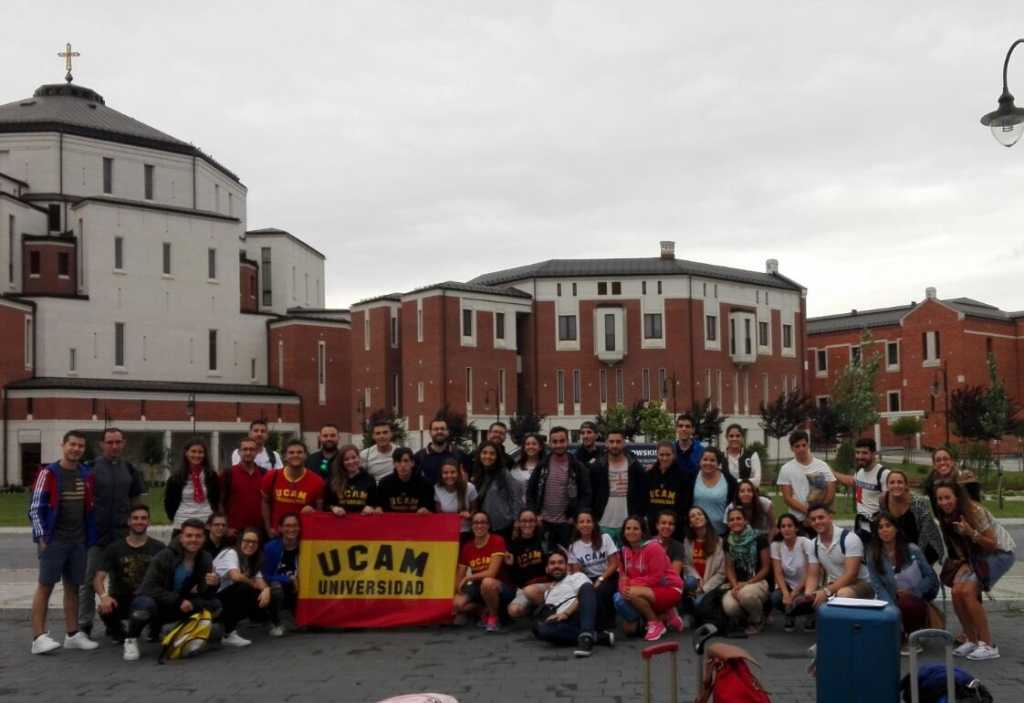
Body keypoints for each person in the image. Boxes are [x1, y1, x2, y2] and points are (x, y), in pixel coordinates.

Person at [29, 430, 100, 654]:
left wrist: (89, 538)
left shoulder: (86, 474)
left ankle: (72, 634)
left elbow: (90, 506)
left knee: (73, 587)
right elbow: (35, 508)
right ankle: (38, 637)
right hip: (54, 540)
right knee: (45, 586)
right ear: (63, 445)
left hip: (78, 541)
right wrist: (42, 537)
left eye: (80, 446)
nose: (76, 449)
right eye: (72, 445)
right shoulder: (49, 473)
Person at [934, 478, 1016, 661]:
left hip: (1000, 553)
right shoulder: (945, 516)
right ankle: (971, 640)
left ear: (957, 496)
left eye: (947, 497)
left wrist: (971, 532)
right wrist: (964, 563)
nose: (944, 502)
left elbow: (992, 544)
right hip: (975, 557)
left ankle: (988, 645)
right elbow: (957, 545)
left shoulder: (974, 511)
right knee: (957, 591)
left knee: (968, 591)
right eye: (940, 499)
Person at [78, 427, 145, 637]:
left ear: (123, 443)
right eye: (110, 442)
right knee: (89, 581)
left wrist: (136, 527)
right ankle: (84, 625)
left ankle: (114, 624)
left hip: (122, 535)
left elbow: (136, 502)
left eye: (118, 442)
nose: (114, 446)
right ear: (102, 444)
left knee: (121, 581)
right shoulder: (89, 469)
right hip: (96, 535)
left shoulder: (130, 469)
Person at [123, 518, 220, 661]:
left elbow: (204, 593)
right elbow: (148, 587)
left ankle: (176, 631)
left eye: (198, 536)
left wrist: (214, 584)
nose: (194, 540)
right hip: (154, 600)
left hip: (177, 602)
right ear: (181, 537)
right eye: (189, 535)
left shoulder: (205, 557)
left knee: (215, 604)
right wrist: (178, 600)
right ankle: (130, 639)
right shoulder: (165, 555)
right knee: (143, 608)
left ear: (204, 538)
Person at [866, 511, 940, 652]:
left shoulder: (912, 549)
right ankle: (898, 634)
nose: (884, 530)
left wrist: (913, 592)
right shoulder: (872, 553)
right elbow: (877, 584)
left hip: (914, 597)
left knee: (907, 604)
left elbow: (930, 577)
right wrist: (890, 607)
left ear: (896, 528)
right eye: (880, 527)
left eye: (888, 525)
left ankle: (912, 635)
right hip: (889, 598)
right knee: (885, 620)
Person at [93, 504, 165, 644]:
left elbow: (169, 575)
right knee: (103, 608)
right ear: (129, 521)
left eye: (143, 518)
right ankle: (118, 632)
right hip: (121, 598)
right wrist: (104, 596)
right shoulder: (114, 548)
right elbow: (98, 579)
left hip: (148, 598)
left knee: (155, 603)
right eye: (135, 518)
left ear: (148, 521)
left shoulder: (159, 547)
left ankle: (154, 629)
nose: (139, 521)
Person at [532, 551, 615, 658]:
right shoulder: (547, 593)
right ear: (547, 568)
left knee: (586, 587)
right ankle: (596, 637)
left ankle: (586, 636)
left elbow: (587, 594)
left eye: (560, 562)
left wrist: (566, 613)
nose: (556, 566)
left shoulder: (576, 577)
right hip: (568, 623)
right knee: (540, 629)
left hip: (586, 613)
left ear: (567, 567)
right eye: (552, 563)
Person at [614, 515, 684, 641]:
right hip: (647, 589)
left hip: (670, 587)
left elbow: (656, 577)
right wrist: (622, 586)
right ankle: (666, 616)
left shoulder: (654, 547)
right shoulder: (623, 551)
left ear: (643, 532)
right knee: (619, 599)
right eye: (628, 528)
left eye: (636, 528)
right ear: (623, 531)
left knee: (630, 592)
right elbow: (622, 575)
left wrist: (630, 584)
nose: (631, 532)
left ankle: (655, 623)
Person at [526, 426, 592, 551]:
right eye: (555, 442)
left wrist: (575, 516)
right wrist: (535, 515)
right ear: (550, 443)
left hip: (566, 524)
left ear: (567, 441)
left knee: (566, 557)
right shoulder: (542, 465)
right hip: (543, 523)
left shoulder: (577, 466)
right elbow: (530, 492)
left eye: (562, 441)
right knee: (544, 558)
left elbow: (586, 494)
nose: (558, 445)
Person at [804, 502, 874, 614]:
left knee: (843, 594)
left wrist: (826, 591)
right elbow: (813, 575)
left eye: (821, 517)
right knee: (814, 598)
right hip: (834, 584)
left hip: (862, 583)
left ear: (830, 517)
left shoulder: (849, 538)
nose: (817, 522)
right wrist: (808, 594)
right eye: (813, 519)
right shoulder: (813, 544)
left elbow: (851, 575)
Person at [213, 527, 273, 647]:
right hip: (213, 597)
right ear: (240, 541)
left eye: (254, 542)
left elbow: (260, 582)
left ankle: (224, 624)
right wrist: (253, 584)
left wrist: (267, 589)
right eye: (247, 541)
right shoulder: (231, 553)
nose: (250, 545)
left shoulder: (251, 559)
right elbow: (236, 576)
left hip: (226, 597)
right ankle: (228, 633)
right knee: (245, 588)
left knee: (265, 593)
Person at [452, 512, 510, 632]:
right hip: (477, 587)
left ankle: (494, 617)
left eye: (483, 522)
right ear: (472, 526)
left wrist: (468, 578)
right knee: (457, 604)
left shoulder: (497, 540)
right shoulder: (467, 547)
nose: (479, 526)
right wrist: (456, 590)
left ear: (488, 525)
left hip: (499, 585)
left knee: (487, 582)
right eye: (476, 523)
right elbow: (460, 573)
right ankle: (484, 610)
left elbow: (491, 573)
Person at [590, 429, 646, 543]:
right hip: (603, 523)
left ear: (624, 443)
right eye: (611, 442)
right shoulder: (597, 466)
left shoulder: (635, 466)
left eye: (618, 441)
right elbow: (591, 493)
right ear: (606, 443)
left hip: (628, 525)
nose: (615, 445)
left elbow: (643, 494)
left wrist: (638, 516)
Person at [722, 508, 771, 635]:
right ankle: (748, 618)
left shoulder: (759, 538)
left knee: (746, 595)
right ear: (728, 523)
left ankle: (758, 620)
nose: (735, 522)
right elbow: (729, 568)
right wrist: (734, 585)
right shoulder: (728, 541)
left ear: (745, 521)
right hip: (738, 584)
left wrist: (747, 583)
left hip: (758, 581)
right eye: (731, 520)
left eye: (739, 518)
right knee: (729, 607)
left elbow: (766, 568)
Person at [567, 511, 620, 629]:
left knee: (600, 589)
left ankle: (606, 622)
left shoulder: (605, 538)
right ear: (576, 525)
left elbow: (614, 564)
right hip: (588, 579)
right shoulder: (573, 547)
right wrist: (581, 573)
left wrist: (601, 579)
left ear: (594, 524)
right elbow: (577, 573)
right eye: (581, 522)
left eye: (588, 521)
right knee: (587, 591)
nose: (585, 524)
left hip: (608, 575)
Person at [879, 470, 945, 565]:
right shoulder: (883, 501)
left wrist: (915, 558)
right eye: (892, 482)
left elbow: (925, 533)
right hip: (902, 547)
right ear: (887, 486)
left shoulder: (919, 502)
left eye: (900, 482)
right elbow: (884, 526)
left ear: (906, 485)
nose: (896, 485)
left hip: (925, 547)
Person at [261, 440, 324, 537]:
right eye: (291, 452)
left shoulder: (317, 481)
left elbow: (319, 511)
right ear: (284, 456)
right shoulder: (271, 476)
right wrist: (268, 528)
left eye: (299, 452)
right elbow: (265, 503)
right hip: (277, 533)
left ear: (306, 455)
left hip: (304, 534)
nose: (295, 455)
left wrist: (313, 512)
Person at [832, 438, 890, 541]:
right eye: (857, 453)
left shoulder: (883, 474)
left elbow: (891, 503)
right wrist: (831, 472)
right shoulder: (860, 471)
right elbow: (852, 481)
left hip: (877, 526)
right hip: (861, 522)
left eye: (864, 453)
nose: (860, 456)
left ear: (874, 454)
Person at [776, 431, 836, 529]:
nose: (801, 449)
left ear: (808, 445)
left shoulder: (822, 466)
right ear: (792, 448)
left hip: (820, 519)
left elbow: (831, 491)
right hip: (798, 520)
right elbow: (787, 498)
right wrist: (808, 512)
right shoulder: (786, 469)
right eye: (797, 446)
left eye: (804, 445)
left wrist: (818, 513)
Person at [770, 513, 816, 632]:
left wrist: (795, 593)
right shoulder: (776, 545)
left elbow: (810, 571)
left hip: (806, 585)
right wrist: (786, 593)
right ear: (779, 529)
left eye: (790, 526)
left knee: (809, 598)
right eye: (783, 526)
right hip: (788, 585)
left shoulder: (805, 543)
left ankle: (810, 615)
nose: (786, 529)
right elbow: (778, 572)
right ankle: (789, 614)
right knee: (775, 597)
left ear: (796, 528)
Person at [165, 438, 221, 531]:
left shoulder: (211, 475)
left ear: (205, 455)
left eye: (200, 452)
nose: (197, 455)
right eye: (193, 451)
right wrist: (173, 517)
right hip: (182, 521)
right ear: (186, 453)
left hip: (206, 521)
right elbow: (169, 502)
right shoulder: (176, 477)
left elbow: (216, 499)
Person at [261, 513, 302, 637]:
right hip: (281, 586)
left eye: (295, 525)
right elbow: (264, 575)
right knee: (276, 587)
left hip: (301, 587)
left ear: (299, 528)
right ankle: (276, 622)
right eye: (287, 526)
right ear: (280, 528)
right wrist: (287, 578)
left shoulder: (306, 546)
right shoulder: (270, 548)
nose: (291, 529)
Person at [472, 440, 523, 540]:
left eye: (492, 453)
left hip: (503, 525)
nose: (488, 456)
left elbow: (516, 496)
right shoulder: (477, 474)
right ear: (479, 454)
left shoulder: (503, 473)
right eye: (484, 453)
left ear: (497, 456)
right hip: (482, 526)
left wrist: (516, 521)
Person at [505, 510, 549, 620]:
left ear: (536, 522)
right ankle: (533, 609)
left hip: (545, 585)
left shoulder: (544, 540)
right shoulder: (513, 545)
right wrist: (510, 566)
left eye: (531, 521)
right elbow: (514, 578)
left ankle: (547, 612)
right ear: (518, 523)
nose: (527, 524)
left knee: (531, 591)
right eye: (524, 521)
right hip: (524, 588)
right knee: (513, 610)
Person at [644, 441, 692, 541]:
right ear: (657, 455)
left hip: (675, 531)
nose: (664, 458)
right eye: (661, 455)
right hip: (653, 529)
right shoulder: (649, 475)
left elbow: (686, 505)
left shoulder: (683, 476)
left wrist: (674, 522)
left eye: (668, 455)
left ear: (674, 455)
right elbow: (644, 501)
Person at [221, 437, 268, 537]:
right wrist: (225, 527)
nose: (248, 452)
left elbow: (269, 502)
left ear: (257, 452)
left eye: (252, 449)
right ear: (239, 452)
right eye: (245, 449)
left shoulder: (265, 474)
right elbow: (219, 502)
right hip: (234, 532)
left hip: (259, 531)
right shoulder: (228, 473)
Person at [682, 507, 727, 612]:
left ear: (706, 519)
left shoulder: (719, 541)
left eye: (700, 514)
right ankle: (689, 610)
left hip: (711, 584)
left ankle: (695, 609)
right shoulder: (687, 541)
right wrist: (698, 581)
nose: (697, 517)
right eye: (692, 516)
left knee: (698, 603)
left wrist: (704, 588)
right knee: (689, 582)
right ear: (690, 524)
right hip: (696, 583)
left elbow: (721, 573)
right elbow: (687, 565)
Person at [324, 444, 380, 516]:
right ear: (341, 462)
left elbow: (375, 503)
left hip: (363, 520)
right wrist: (334, 508)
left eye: (354, 457)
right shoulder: (333, 480)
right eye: (346, 459)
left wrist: (371, 507)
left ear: (359, 458)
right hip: (340, 520)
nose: (351, 462)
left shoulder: (369, 479)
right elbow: (326, 505)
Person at [692, 448, 738, 536]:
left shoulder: (729, 480)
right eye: (705, 459)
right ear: (700, 461)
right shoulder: (691, 478)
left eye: (712, 460)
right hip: (696, 533)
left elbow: (734, 504)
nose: (708, 463)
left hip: (721, 533)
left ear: (718, 463)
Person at [413, 417, 471, 485]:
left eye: (442, 429)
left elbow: (466, 480)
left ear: (448, 432)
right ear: (430, 432)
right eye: (436, 429)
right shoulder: (419, 457)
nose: (439, 431)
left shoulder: (459, 455)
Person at [922, 446, 982, 512]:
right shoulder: (929, 484)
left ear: (952, 461)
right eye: (938, 460)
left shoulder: (967, 480)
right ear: (934, 465)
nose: (942, 462)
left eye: (945, 459)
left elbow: (977, 507)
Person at [378, 447, 434, 513]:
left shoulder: (425, 484)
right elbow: (380, 508)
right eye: (398, 461)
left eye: (406, 461)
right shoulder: (384, 484)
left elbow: (431, 510)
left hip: (416, 519)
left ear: (412, 463)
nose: (402, 465)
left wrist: (426, 510)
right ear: (394, 464)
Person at [436, 457, 478, 537]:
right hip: (446, 531)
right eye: (445, 473)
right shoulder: (437, 488)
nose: (449, 475)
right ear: (441, 474)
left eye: (453, 472)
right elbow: (439, 515)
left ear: (458, 473)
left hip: (466, 532)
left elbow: (476, 510)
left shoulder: (469, 487)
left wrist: (469, 515)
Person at [510, 432, 544, 498]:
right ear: (524, 447)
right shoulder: (516, 469)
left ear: (540, 447)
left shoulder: (547, 467)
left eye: (534, 444)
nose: (530, 446)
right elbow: (512, 493)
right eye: (527, 444)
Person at [673, 414, 705, 482]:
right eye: (680, 426)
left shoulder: (702, 452)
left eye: (687, 426)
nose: (684, 429)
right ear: (676, 429)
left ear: (693, 430)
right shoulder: (670, 450)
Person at [652, 510, 686, 575]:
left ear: (674, 527)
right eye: (663, 523)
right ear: (657, 525)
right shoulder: (647, 544)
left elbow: (674, 574)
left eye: (670, 524)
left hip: (668, 580)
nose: (667, 526)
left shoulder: (679, 547)